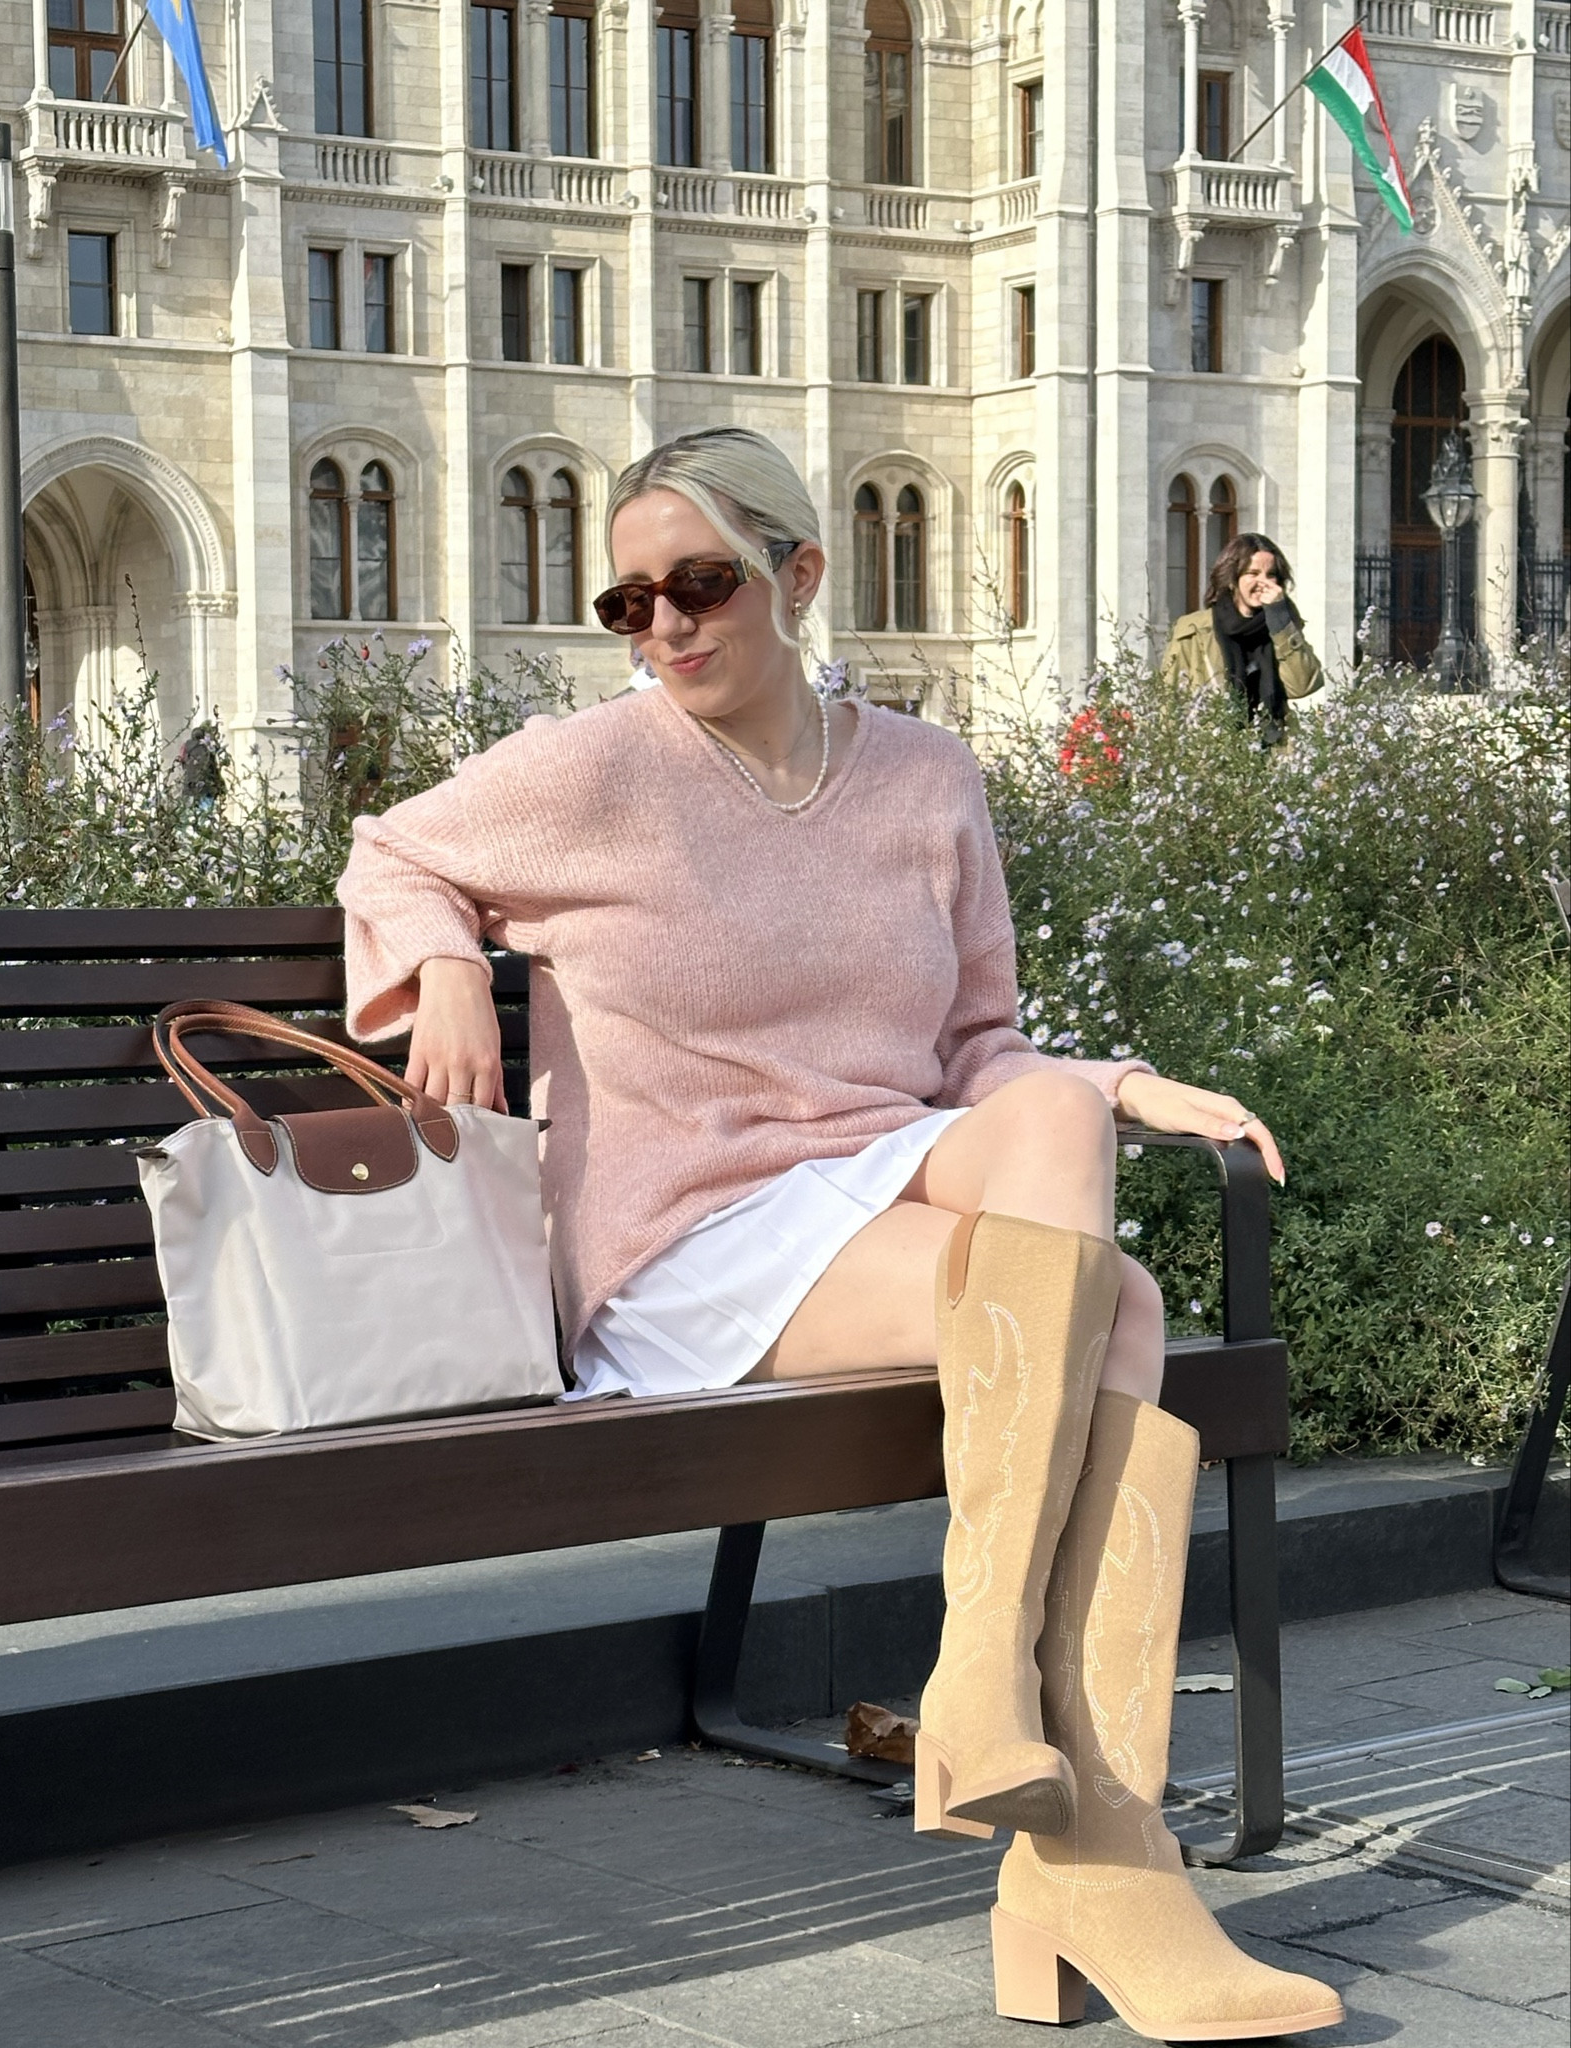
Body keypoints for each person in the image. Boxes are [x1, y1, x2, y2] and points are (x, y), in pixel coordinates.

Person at [337, 429, 1342, 2042]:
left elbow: (979, 1049)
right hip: (686, 1237)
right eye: (630, 596)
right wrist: (450, 962)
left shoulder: (925, 776)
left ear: (799, 577)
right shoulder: (598, 765)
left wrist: (1130, 1080)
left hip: (878, 1175)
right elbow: (391, 848)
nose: (664, 622)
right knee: (1126, 1309)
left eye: (702, 582)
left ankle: (1010, 1736)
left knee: (1069, 1151)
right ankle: (1095, 1835)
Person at [1164, 533, 1321, 733]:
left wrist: (1280, 622)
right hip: (1213, 753)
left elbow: (1302, 686)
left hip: (1272, 754)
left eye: (1271, 574)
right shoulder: (1195, 630)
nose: (1263, 582)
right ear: (1232, 579)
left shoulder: (1283, 626)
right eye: (1253, 573)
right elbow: (1169, 703)